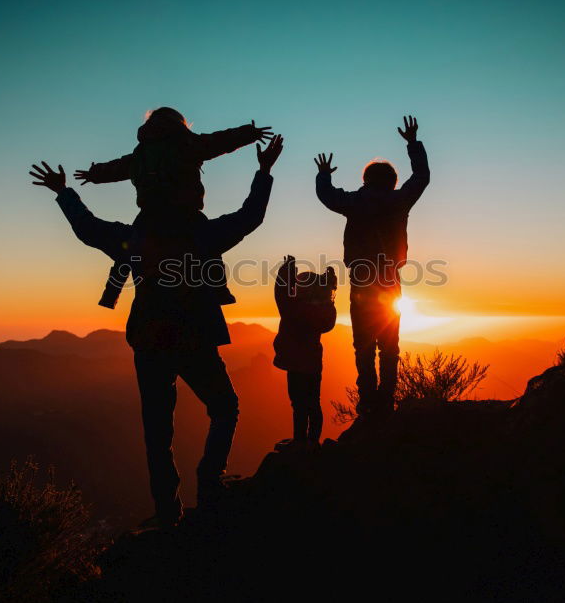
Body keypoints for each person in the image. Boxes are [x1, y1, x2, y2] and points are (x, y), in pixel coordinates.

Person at [29, 134, 284, 528]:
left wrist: (64, 192)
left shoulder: (136, 236)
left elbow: (89, 229)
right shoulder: (201, 234)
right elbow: (251, 216)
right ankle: (210, 482)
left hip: (149, 335)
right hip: (196, 333)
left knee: (157, 429)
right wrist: (264, 171)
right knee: (225, 408)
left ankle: (168, 511)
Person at [70, 107, 273, 310]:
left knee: (128, 250)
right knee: (210, 249)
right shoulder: (187, 144)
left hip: (148, 221)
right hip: (186, 219)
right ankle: (220, 291)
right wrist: (250, 136)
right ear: (179, 124)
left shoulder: (140, 156)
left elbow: (115, 169)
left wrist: (92, 174)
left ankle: (110, 295)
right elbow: (218, 141)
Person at [314, 116, 429, 421]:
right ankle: (386, 402)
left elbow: (327, 196)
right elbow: (422, 177)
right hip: (391, 281)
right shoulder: (399, 200)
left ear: (365, 179)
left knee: (363, 346)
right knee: (390, 347)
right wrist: (413, 144)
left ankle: (367, 405)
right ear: (392, 181)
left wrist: (323, 175)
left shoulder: (354, 202)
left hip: (362, 284)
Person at [272, 255, 337, 449]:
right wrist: (328, 280)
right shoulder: (325, 310)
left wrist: (287, 270)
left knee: (298, 404)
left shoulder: (294, 309)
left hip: (295, 364)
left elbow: (281, 293)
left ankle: (300, 441)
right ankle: (312, 441)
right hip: (314, 363)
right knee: (313, 402)